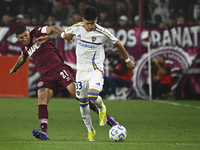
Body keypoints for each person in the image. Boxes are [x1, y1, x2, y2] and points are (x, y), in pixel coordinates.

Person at [35, 6, 135, 141]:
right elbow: (63, 34)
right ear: (83, 20)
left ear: (96, 20)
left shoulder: (103, 33)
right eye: (87, 23)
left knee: (93, 96)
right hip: (81, 72)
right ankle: (90, 130)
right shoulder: (77, 27)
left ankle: (102, 108)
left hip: (95, 71)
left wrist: (127, 60)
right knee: (82, 103)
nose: (89, 26)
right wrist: (47, 37)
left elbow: (118, 44)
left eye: (92, 23)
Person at [10, 24, 119, 141]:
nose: (25, 39)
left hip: (59, 69)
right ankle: (43, 132)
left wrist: (63, 35)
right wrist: (15, 68)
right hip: (46, 76)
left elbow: (53, 28)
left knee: (78, 95)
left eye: (26, 35)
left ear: (28, 31)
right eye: (21, 38)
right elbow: (22, 58)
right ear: (17, 38)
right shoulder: (24, 48)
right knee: (41, 98)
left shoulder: (37, 32)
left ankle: (108, 119)